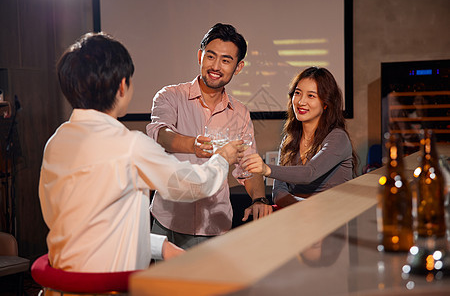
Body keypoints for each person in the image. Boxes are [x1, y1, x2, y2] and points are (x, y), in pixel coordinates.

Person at [38, 32, 243, 273]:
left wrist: (161, 246)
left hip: (62, 278)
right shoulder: (130, 145)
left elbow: (95, 226)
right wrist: (222, 159)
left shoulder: (56, 141)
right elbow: (193, 185)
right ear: (122, 85)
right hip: (110, 283)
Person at [147, 23, 272, 249]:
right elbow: (160, 134)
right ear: (200, 56)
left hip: (214, 225)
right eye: (210, 56)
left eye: (226, 60)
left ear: (239, 66)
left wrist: (259, 199)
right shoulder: (170, 96)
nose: (215, 66)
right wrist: (192, 145)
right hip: (168, 220)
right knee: (163, 285)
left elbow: (248, 166)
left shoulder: (241, 113)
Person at [241, 66, 358, 208]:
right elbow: (278, 191)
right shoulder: (289, 140)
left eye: (311, 96)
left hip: (333, 218)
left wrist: (266, 169)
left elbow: (309, 173)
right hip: (299, 219)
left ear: (326, 103)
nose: (301, 102)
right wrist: (302, 210)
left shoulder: (338, 137)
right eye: (297, 93)